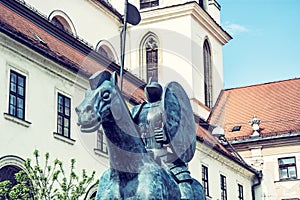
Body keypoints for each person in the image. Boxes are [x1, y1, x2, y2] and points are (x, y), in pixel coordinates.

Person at [131, 79, 194, 199]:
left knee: (185, 188)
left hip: (166, 155)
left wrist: (168, 136)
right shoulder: (137, 110)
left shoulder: (169, 108)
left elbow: (181, 133)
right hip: (142, 156)